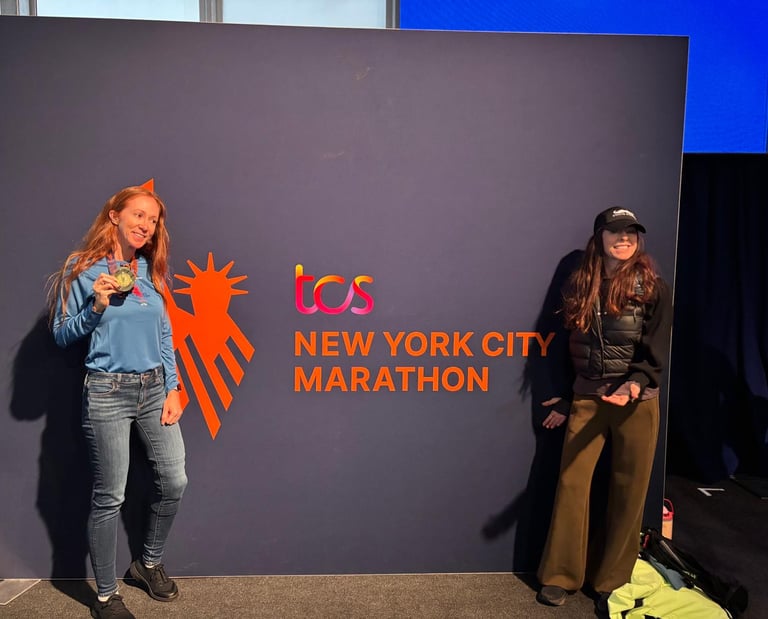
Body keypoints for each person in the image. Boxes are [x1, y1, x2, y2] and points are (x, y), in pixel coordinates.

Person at [48, 186, 188, 619]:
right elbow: (61, 334)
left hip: (153, 388)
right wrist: (96, 306)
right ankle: (106, 597)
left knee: (175, 479)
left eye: (153, 220)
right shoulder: (81, 268)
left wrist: (173, 386)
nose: (146, 226)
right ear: (115, 215)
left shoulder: (148, 268)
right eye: (139, 215)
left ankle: (147, 564)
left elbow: (163, 332)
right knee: (110, 496)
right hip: (107, 391)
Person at [535, 207, 672, 609]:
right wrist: (565, 396)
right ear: (599, 238)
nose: (624, 238)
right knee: (572, 485)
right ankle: (560, 576)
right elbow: (564, 344)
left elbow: (657, 349)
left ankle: (612, 578)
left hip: (636, 402)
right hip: (588, 398)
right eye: (615, 231)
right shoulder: (579, 284)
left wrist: (636, 383)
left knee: (630, 489)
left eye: (631, 232)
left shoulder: (653, 287)